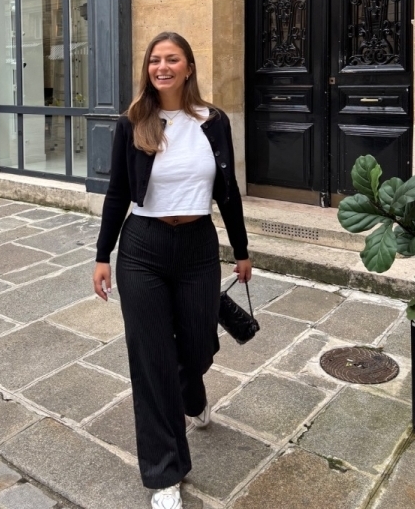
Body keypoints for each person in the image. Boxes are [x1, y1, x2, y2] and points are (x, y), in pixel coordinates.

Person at [92, 31, 252, 509]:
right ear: (148, 69)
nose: (162, 67)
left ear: (188, 68)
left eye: (172, 59)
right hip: (142, 248)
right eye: (154, 60)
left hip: (199, 246)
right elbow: (117, 192)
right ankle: (165, 473)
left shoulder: (213, 121)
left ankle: (191, 394)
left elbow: (228, 191)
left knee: (199, 343)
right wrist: (102, 255)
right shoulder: (132, 123)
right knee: (151, 359)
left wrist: (241, 250)